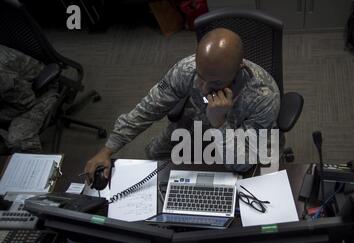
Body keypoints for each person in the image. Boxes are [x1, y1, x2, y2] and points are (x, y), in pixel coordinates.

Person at [84, 28, 280, 182]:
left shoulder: (264, 97)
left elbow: (241, 164)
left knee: (232, 180)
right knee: (154, 156)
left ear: (239, 69)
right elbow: (149, 107)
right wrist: (107, 150)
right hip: (195, 124)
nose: (203, 89)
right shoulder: (187, 70)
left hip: (237, 137)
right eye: (201, 77)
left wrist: (219, 124)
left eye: (216, 83)